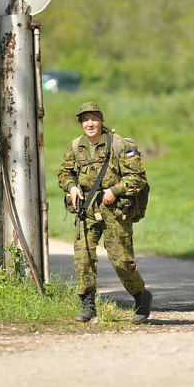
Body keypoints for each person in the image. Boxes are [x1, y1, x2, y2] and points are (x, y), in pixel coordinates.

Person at [58, 101, 152, 324]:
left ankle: (141, 296)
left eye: (93, 118)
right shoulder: (75, 147)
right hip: (86, 208)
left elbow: (138, 178)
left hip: (114, 209)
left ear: (101, 120)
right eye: (85, 119)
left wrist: (114, 190)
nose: (89, 123)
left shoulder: (119, 145)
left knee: (121, 261)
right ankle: (87, 306)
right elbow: (64, 174)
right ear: (81, 123)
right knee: (84, 258)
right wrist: (71, 187)